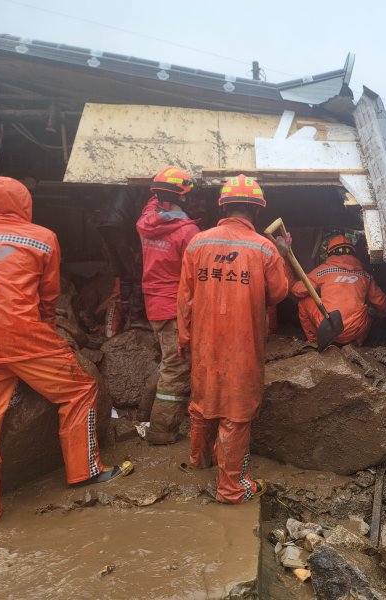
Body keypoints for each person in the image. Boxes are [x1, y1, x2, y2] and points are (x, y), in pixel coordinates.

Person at [0, 177, 131, 525]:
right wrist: (49, 336)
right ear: (24, 203)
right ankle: (85, 470)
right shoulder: (41, 237)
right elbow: (48, 298)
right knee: (81, 388)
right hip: (22, 334)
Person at [177, 174, 290, 504]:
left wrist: (184, 337)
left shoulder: (198, 242)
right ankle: (231, 488)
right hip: (242, 341)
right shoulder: (264, 248)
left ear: (223, 206)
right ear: (256, 211)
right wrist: (283, 254)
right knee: (236, 413)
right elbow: (279, 293)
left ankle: (197, 463)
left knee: (202, 403)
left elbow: (184, 296)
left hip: (203, 340)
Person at [136, 166, 200, 444]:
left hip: (154, 304)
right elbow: (196, 277)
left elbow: (155, 201)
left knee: (168, 361)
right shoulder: (188, 232)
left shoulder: (147, 221)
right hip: (175, 308)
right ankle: (161, 432)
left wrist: (160, 188)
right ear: (183, 197)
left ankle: (142, 414)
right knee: (176, 370)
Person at [293, 235, 386, 346]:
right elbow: (383, 304)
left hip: (327, 327)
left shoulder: (322, 271)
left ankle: (315, 341)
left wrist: (307, 280)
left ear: (330, 253)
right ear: (353, 253)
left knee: (304, 301)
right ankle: (358, 343)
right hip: (355, 330)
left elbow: (297, 290)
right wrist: (382, 316)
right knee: (370, 310)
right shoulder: (365, 276)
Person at [95, 186, 148, 331]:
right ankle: (136, 318)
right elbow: (140, 217)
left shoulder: (119, 185)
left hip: (105, 225)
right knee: (137, 272)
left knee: (124, 274)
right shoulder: (142, 189)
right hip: (123, 226)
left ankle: (126, 316)